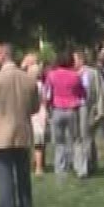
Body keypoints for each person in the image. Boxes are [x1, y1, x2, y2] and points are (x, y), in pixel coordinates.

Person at [0, 42, 40, 207]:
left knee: (4, 171)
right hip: (23, 129)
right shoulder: (29, 79)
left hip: (2, 130)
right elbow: (35, 107)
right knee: (23, 171)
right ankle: (25, 205)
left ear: (3, 55)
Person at [43, 51, 87, 180]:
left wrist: (46, 108)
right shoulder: (75, 76)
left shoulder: (51, 75)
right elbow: (82, 93)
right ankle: (80, 169)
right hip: (72, 109)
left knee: (59, 142)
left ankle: (60, 169)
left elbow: (47, 94)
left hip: (57, 109)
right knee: (76, 140)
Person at [76, 50, 104, 169]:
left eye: (75, 59)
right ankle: (88, 163)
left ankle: (88, 164)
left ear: (81, 60)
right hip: (76, 109)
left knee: (88, 136)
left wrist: (100, 109)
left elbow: (100, 92)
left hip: (90, 109)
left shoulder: (92, 73)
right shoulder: (72, 73)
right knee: (83, 137)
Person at [23, 52, 48, 175]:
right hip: (39, 114)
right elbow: (45, 99)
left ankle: (34, 166)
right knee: (39, 142)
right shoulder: (40, 85)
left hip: (32, 114)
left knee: (31, 141)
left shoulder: (27, 85)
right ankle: (38, 166)